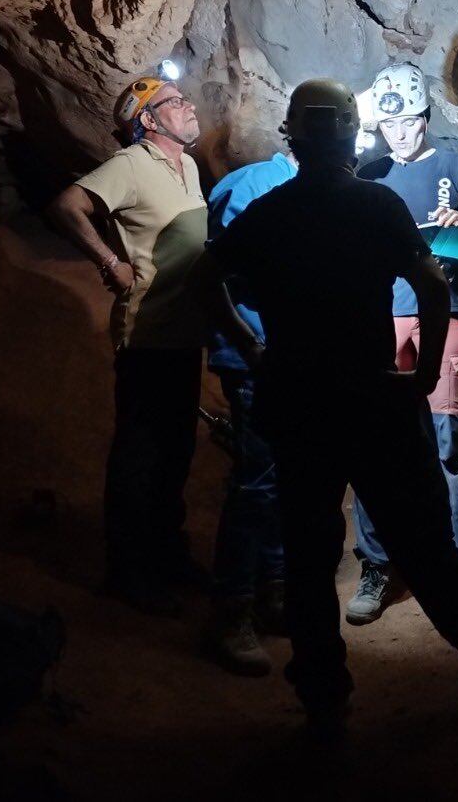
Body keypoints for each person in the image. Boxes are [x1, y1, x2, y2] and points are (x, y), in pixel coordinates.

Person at [187, 79, 458, 738]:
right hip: (370, 397)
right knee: (425, 546)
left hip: (297, 401)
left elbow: (203, 277)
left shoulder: (270, 213)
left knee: (307, 559)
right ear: (349, 135)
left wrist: (254, 348)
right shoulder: (373, 203)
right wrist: (419, 375)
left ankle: (324, 703)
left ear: (292, 137)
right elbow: (430, 281)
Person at [347, 62, 458, 625]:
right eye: (388, 125)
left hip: (450, 310)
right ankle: (377, 563)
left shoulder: (457, 167)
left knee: (454, 445)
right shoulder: (367, 174)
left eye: (408, 123)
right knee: (376, 444)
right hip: (384, 318)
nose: (398, 134)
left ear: (425, 116)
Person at [47, 69, 208, 616]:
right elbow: (67, 204)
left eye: (185, 99)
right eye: (174, 102)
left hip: (184, 335)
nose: (188, 107)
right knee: (140, 457)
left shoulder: (187, 165)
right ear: (148, 120)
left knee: (176, 453)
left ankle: (167, 555)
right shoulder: (130, 165)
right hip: (147, 336)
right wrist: (109, 260)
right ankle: (127, 571)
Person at [199, 149, 297, 676]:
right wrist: (247, 343)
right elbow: (213, 274)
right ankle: (231, 611)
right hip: (254, 355)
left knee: (282, 478)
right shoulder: (255, 186)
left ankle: (274, 592)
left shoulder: (303, 187)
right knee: (256, 483)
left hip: (290, 356)